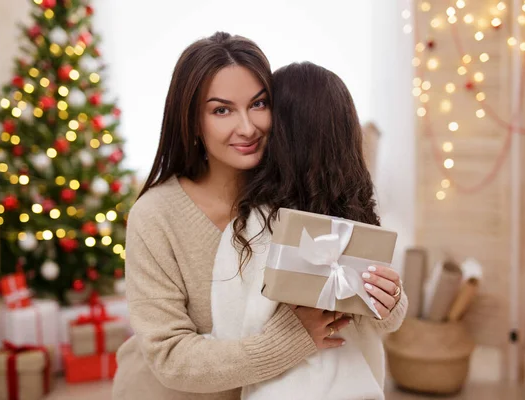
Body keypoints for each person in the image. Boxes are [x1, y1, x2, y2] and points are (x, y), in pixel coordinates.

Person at [112, 33, 351, 400]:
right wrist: (289, 340)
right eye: (221, 110)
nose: (247, 127)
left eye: (258, 104)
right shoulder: (155, 216)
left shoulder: (296, 197)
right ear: (192, 121)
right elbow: (170, 357)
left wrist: (390, 294)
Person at [209, 62, 408, 400]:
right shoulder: (254, 227)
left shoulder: (249, 228)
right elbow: (232, 347)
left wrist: (392, 302)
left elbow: (228, 336)